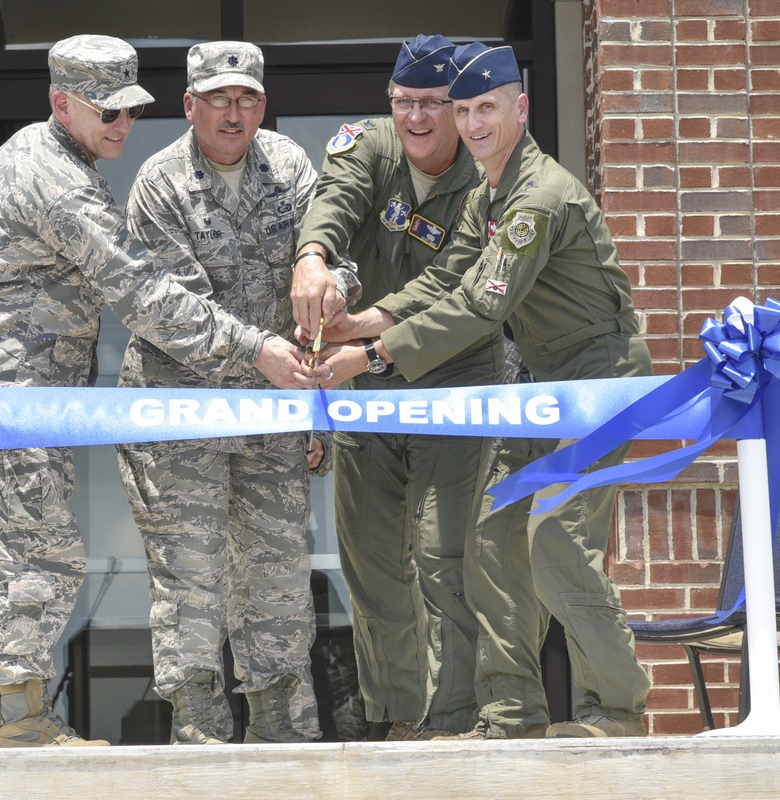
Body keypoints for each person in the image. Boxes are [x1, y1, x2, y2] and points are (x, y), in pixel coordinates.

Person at [0, 34, 318, 749]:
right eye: (108, 113)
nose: (123, 126)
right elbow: (145, 294)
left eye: (130, 111)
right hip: (15, 393)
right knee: (38, 553)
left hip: (26, 394)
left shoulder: (57, 157)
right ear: (62, 103)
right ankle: (21, 725)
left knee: (10, 555)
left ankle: (3, 716)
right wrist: (257, 348)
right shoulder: (57, 179)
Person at [315, 43, 652, 739]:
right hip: (533, 383)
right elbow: (449, 279)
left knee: (557, 539)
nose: (471, 124)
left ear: (520, 108)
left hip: (594, 383)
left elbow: (480, 308)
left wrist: (371, 357)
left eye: (486, 108)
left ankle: (615, 708)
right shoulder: (486, 191)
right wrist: (366, 320)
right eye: (462, 110)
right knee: (493, 540)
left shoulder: (537, 199)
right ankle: (510, 712)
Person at [115, 41, 358, 746]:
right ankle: (197, 734)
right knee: (190, 581)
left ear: (262, 103)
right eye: (217, 97)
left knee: (278, 573)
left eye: (246, 97)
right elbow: (171, 310)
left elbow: (333, 254)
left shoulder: (289, 167)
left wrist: (335, 286)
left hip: (274, 414)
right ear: (189, 105)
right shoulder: (158, 184)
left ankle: (281, 731)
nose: (233, 111)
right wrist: (260, 350)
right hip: (180, 414)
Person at [291, 34, 522, 741]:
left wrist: (363, 326)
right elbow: (336, 198)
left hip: (450, 376)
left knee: (442, 552)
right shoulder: (371, 145)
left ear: (460, 108)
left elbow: (454, 286)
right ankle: (399, 715)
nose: (417, 117)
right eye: (404, 101)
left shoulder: (494, 179)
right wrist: (312, 259)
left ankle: (451, 717)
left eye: (432, 103)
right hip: (365, 385)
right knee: (370, 555)